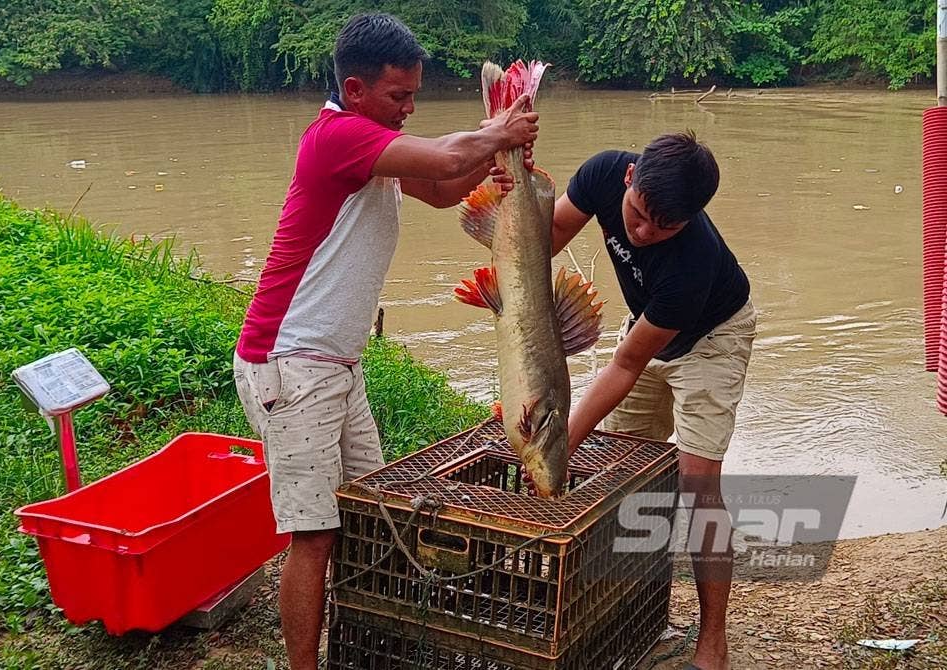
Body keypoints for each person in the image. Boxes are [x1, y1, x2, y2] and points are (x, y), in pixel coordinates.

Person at [231, 13, 538, 670]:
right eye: (399, 96)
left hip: (336, 366)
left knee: (370, 512)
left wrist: (495, 163)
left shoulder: (374, 142)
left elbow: (443, 184)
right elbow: (453, 155)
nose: (409, 107)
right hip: (290, 364)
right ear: (355, 87)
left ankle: (364, 644)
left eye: (413, 95)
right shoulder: (336, 137)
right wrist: (496, 132)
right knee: (313, 533)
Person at [502, 131, 754, 670]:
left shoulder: (692, 263)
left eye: (662, 228)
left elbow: (625, 365)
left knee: (697, 485)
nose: (642, 232)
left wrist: (556, 446)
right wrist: (514, 187)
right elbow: (541, 244)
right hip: (645, 329)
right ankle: (626, 609)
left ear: (688, 220)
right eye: (636, 214)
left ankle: (713, 640)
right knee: (622, 473)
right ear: (628, 178)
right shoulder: (600, 171)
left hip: (712, 340)